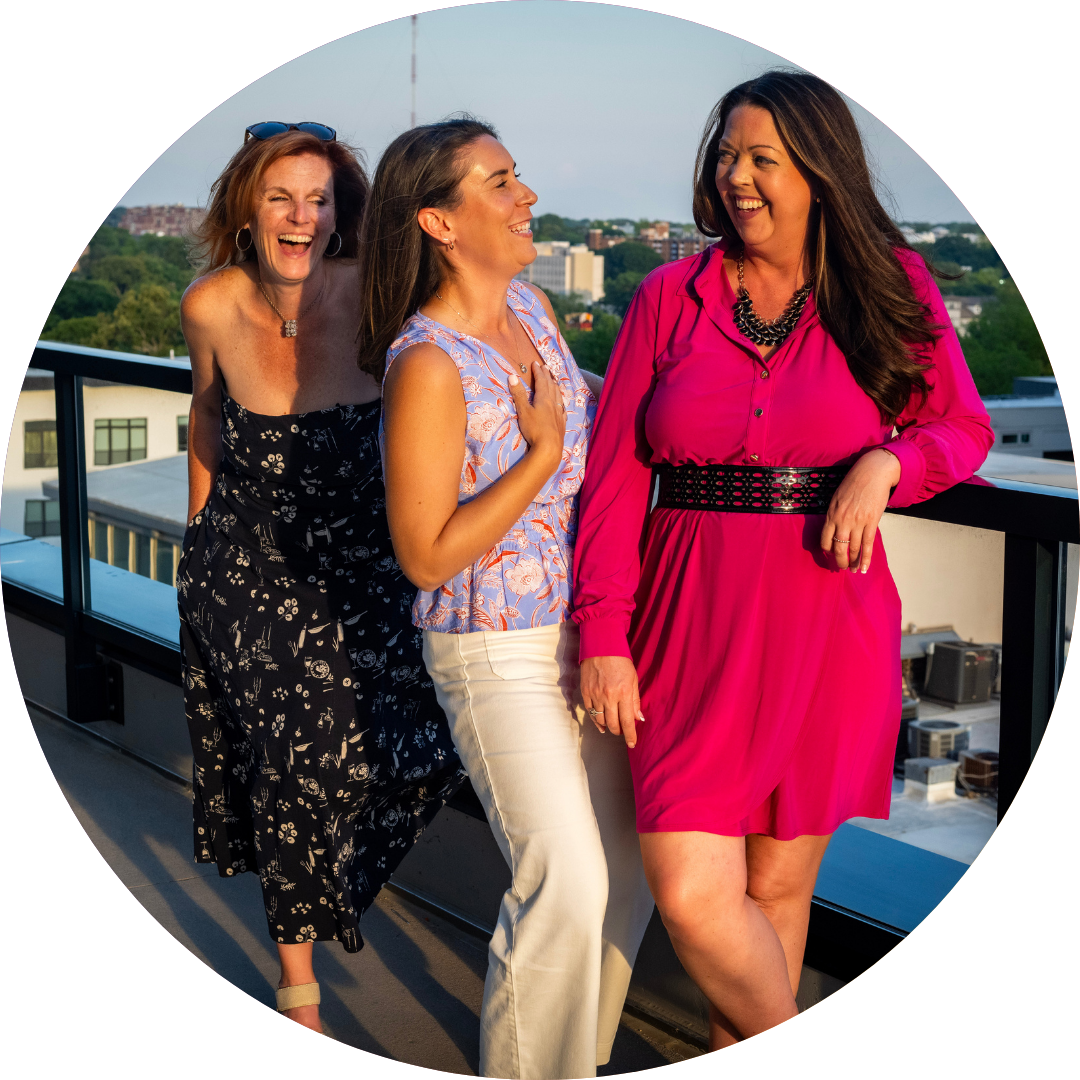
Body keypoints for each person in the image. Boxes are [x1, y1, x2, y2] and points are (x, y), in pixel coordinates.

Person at [572, 72, 995, 1050]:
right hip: (684, 622)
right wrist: (602, 632)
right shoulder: (668, 297)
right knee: (692, 892)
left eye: (761, 157)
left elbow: (963, 427)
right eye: (727, 156)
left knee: (774, 890)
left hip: (828, 620)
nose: (737, 177)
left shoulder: (892, 286)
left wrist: (890, 462)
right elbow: (616, 478)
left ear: (817, 169)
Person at [360, 117, 655, 1079]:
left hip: (585, 637)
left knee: (626, 870)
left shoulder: (530, 308)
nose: (525, 195)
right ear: (438, 221)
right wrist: (538, 455)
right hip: (495, 651)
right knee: (563, 879)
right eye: (499, 181)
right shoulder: (426, 365)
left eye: (517, 176)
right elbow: (424, 555)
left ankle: (579, 1061)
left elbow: (600, 414)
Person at [177, 122, 465, 1034]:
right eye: (280, 198)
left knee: (431, 745)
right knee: (292, 763)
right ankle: (297, 981)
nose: (299, 216)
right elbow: (207, 418)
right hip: (248, 565)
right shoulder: (210, 305)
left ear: (341, 217)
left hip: (369, 565)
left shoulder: (381, 295)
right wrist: (195, 539)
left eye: (317, 199)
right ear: (248, 210)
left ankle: (325, 890)